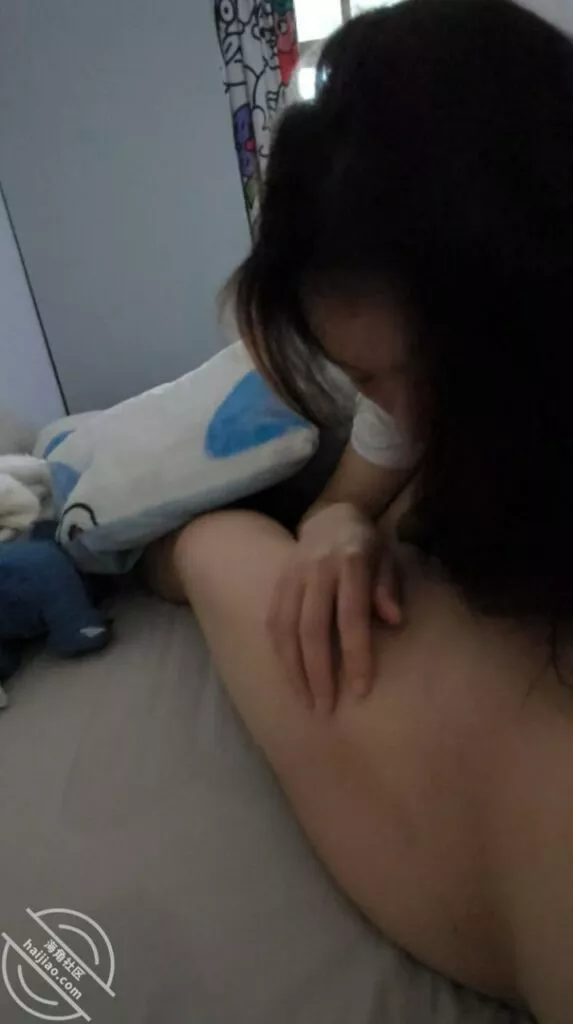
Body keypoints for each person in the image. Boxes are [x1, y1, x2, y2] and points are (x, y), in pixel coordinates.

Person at [146, 1, 573, 1018]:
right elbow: (336, 502)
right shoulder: (427, 395)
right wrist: (339, 528)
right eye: (368, 381)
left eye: (424, 378)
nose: (403, 415)